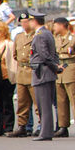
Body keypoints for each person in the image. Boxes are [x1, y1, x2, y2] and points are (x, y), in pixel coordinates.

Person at [53, 17, 75, 138]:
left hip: (72, 68)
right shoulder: (55, 39)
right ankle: (63, 126)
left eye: (56, 25)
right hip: (59, 70)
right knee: (61, 101)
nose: (54, 28)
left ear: (63, 25)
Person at [29, 9, 59, 141]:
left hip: (42, 72)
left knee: (44, 105)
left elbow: (45, 55)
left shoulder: (40, 35)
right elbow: (53, 54)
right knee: (44, 104)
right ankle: (46, 132)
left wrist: (54, 67)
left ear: (34, 21)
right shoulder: (46, 33)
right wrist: (56, 67)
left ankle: (45, 133)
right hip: (46, 72)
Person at [8, 11, 36, 137]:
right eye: (22, 22)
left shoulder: (36, 35)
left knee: (37, 102)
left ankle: (41, 125)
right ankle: (22, 126)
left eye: (26, 21)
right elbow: (15, 55)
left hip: (33, 71)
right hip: (21, 72)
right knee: (22, 102)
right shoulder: (19, 37)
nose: (24, 24)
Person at [0, 22, 16, 136]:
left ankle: (8, 126)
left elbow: (13, 61)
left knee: (7, 101)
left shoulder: (9, 44)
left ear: (2, 32)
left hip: (7, 75)